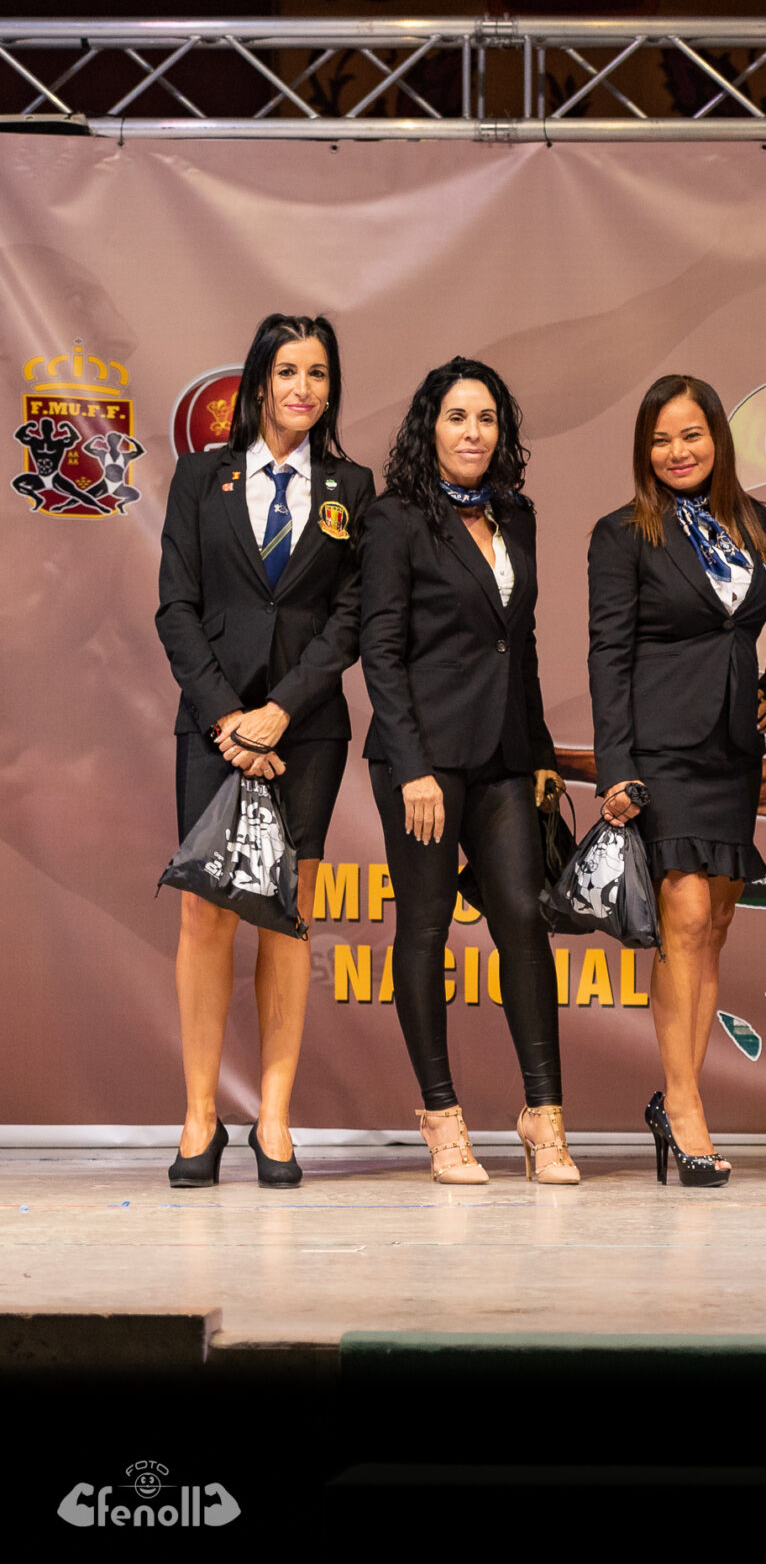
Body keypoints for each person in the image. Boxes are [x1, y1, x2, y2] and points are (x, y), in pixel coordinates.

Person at [154, 313, 373, 1188]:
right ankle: (200, 1114)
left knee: (288, 913)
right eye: (287, 371)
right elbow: (176, 606)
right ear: (258, 382)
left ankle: (274, 1116)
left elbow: (352, 617)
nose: (302, 388)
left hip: (305, 728)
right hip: (214, 727)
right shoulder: (199, 477)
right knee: (205, 915)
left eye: (318, 373)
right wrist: (228, 719)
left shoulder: (352, 486)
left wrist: (279, 711)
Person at [360, 357, 572, 1187]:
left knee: (522, 917)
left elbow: (520, 644)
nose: (473, 432)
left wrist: (541, 751)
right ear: (430, 427)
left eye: (487, 418)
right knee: (425, 925)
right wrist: (412, 765)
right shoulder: (395, 518)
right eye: (457, 417)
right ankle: (442, 1118)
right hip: (422, 759)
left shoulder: (516, 513)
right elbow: (380, 650)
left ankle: (543, 1115)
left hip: (506, 755)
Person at [588, 375, 766, 1187]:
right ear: (644, 450)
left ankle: (678, 1094)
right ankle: (683, 1103)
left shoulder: (759, 526)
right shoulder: (622, 534)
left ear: (718, 440)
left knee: (715, 928)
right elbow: (608, 654)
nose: (677, 451)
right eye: (661, 439)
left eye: (691, 435)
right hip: (661, 749)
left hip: (733, 751)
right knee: (686, 917)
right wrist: (616, 766)